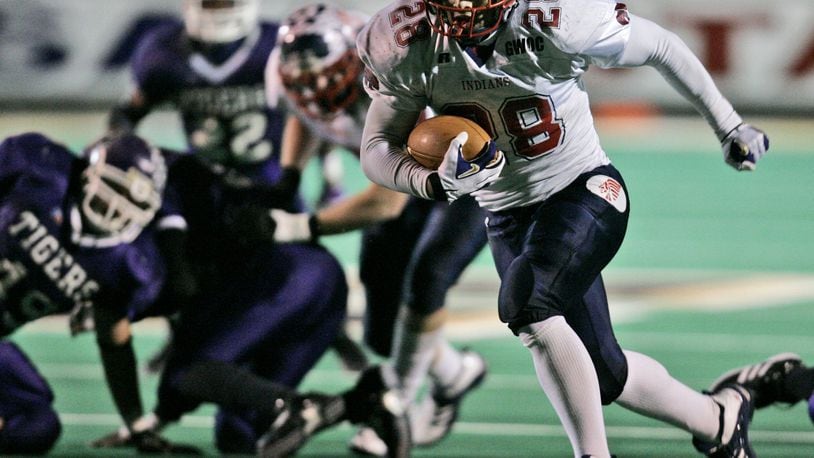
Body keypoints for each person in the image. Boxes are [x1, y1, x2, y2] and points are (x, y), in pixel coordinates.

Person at [350, 0, 794, 456]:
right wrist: (429, 182)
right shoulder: (405, 41)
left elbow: (661, 45)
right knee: (604, 374)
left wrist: (728, 126)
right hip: (506, 216)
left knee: (528, 305)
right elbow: (377, 146)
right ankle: (720, 418)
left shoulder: (556, 19)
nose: (462, 12)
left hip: (583, 188)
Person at [265, 4, 489, 454]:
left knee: (427, 279)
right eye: (306, 83)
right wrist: (290, 172)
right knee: (382, 327)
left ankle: (396, 404)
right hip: (401, 177)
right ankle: (454, 373)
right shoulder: (296, 75)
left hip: (471, 178)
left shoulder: (395, 72)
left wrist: (301, 226)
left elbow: (386, 203)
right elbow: (307, 114)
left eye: (327, 78)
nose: (317, 90)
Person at [108, 0, 364, 375]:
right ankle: (182, 339)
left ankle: (336, 334)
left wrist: (329, 172)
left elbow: (313, 113)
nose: (216, 8)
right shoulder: (163, 53)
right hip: (206, 182)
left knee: (303, 261)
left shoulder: (274, 49)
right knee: (190, 268)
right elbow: (128, 113)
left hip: (271, 180)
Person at [0, 132, 174, 453]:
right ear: (88, 170)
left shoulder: (124, 264)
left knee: (38, 425)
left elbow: (114, 341)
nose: (116, 205)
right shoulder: (39, 168)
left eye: (132, 200)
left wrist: (136, 425)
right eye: (113, 188)